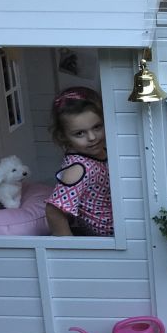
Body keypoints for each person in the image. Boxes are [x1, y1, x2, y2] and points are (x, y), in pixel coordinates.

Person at [45, 87, 114, 237]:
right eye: (79, 133)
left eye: (97, 127)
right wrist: (69, 249)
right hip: (105, 238)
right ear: (63, 136)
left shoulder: (99, 151)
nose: (92, 137)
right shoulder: (78, 169)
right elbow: (53, 211)